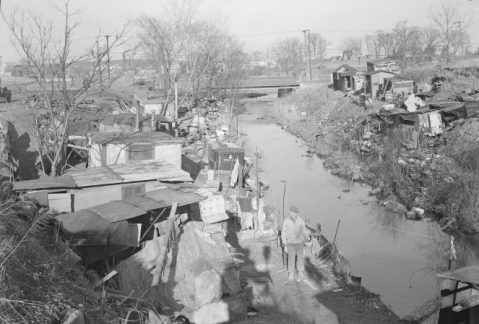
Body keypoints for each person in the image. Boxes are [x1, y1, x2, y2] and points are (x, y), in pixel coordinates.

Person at [281, 206, 309, 281]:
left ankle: (300, 272)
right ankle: (291, 273)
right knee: (291, 258)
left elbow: (304, 231)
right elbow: (283, 233)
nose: (293, 214)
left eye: (295, 213)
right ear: (290, 212)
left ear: (297, 213)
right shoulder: (286, 221)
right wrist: (284, 245)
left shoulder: (300, 221)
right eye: (292, 212)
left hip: (300, 242)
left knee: (300, 258)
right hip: (290, 243)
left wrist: (307, 240)